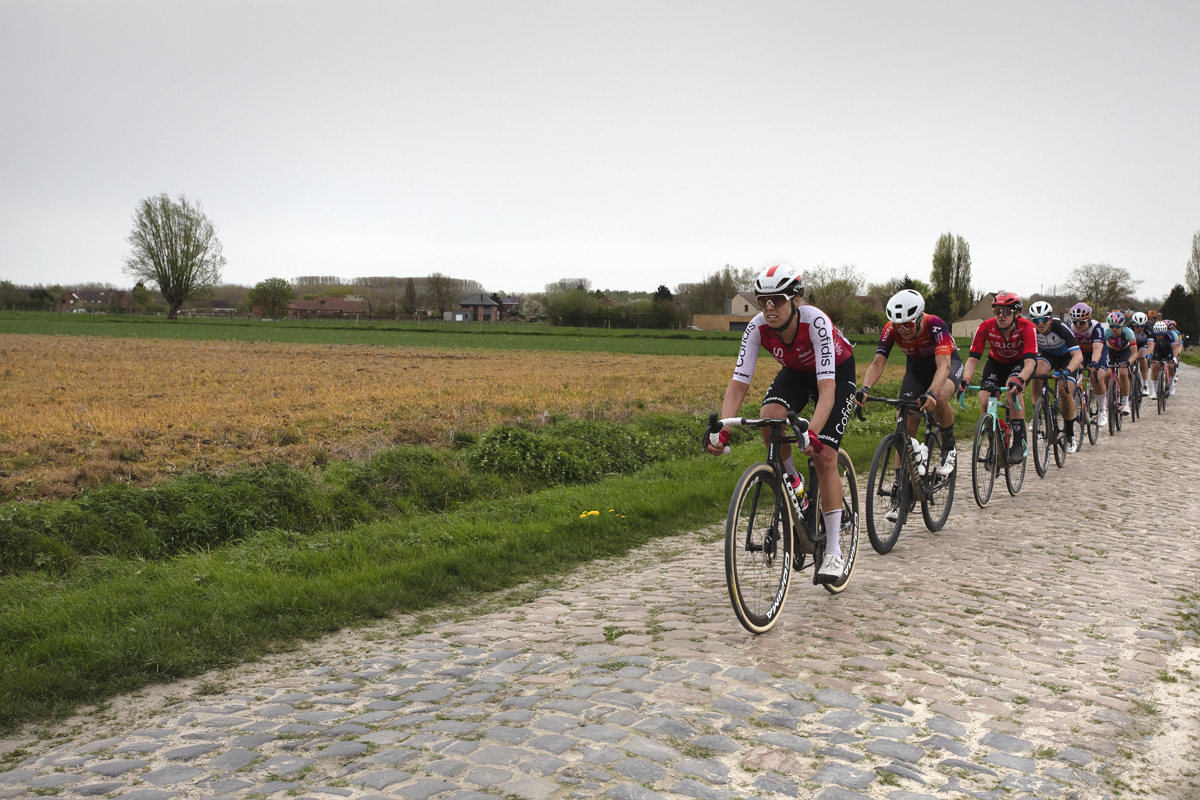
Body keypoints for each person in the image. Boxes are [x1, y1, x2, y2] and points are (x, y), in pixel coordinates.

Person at [706, 264, 856, 581]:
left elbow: (827, 391)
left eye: (777, 300)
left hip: (836, 376)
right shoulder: (757, 327)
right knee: (769, 417)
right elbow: (738, 384)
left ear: (795, 299)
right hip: (798, 373)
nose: (769, 308)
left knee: (825, 456)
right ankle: (795, 483)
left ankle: (833, 551)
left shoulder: (815, 322)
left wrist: (811, 435)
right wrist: (723, 428)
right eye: (763, 301)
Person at [856, 289, 962, 489]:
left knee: (938, 398)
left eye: (908, 324)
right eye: (898, 325)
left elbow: (944, 367)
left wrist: (930, 393)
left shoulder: (936, 325)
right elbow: (878, 362)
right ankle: (901, 483)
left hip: (946, 365)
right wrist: (866, 388)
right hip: (916, 369)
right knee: (904, 420)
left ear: (919, 318)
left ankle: (949, 448)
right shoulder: (890, 329)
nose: (902, 329)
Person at [959, 292, 1037, 464]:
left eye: (1006, 311)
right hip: (996, 362)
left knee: (1012, 391)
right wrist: (966, 379)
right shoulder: (985, 327)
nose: (1001, 315)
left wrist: (1020, 380)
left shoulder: (1027, 327)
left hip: (1020, 363)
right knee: (985, 399)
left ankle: (1018, 443)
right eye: (997, 311)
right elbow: (972, 359)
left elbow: (1030, 363)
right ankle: (994, 442)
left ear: (1017, 313)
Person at [1027, 301, 1083, 453]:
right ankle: (1037, 415)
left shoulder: (1061, 328)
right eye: (1036, 320)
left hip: (1066, 359)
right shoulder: (1032, 331)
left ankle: (1070, 434)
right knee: (1037, 373)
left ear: (1050, 319)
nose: (1040, 323)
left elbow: (1078, 356)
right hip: (1048, 356)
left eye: (1044, 319)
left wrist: (1067, 370)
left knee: (1064, 391)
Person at [1068, 303, 1110, 427]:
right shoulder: (1070, 329)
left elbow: (1097, 349)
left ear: (1089, 319)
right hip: (1081, 354)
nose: (1078, 325)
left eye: (1082, 322)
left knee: (1096, 376)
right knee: (1074, 377)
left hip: (1097, 353)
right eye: (1075, 322)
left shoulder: (1097, 328)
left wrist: (1094, 363)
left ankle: (1102, 411)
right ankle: (1073, 410)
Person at [1104, 311, 1138, 416]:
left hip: (1125, 352)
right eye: (1112, 326)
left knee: (1123, 373)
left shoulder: (1128, 333)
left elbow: (1135, 354)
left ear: (1122, 325)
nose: (1114, 329)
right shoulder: (1106, 333)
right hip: (1111, 352)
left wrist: (1128, 363)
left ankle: (1126, 402)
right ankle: (1107, 396)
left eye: (1117, 327)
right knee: (1107, 374)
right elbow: (1100, 350)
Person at [1149, 320, 1176, 398]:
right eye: (1158, 334)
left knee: (1171, 366)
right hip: (1158, 350)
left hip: (1168, 350)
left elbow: (1174, 348)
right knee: (1154, 366)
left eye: (1162, 334)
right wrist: (1149, 355)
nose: (1160, 336)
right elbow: (1151, 346)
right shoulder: (1152, 334)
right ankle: (1154, 391)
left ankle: (1171, 385)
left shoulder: (1169, 334)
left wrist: (1174, 357)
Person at [1130, 312, 1152, 397]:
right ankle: (1129, 381)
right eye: (1137, 326)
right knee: (1129, 362)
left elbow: (1151, 345)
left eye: (1142, 326)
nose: (1140, 328)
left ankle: (1145, 386)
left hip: (1143, 344)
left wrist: (1149, 354)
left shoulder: (1149, 329)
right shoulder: (1128, 327)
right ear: (1133, 324)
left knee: (1141, 358)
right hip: (1132, 344)